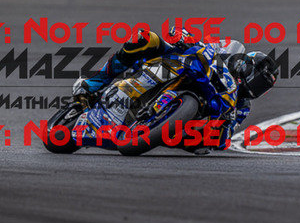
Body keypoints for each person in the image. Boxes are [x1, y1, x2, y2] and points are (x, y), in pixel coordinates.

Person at [72, 28, 277, 153]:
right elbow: (195, 42)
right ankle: (96, 82)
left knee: (204, 144)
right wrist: (184, 37)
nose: (254, 87)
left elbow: (225, 138)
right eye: (256, 79)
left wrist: (219, 128)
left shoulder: (242, 106)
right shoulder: (226, 52)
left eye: (261, 86)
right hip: (180, 65)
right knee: (146, 38)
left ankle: (153, 124)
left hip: (183, 128)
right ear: (243, 66)